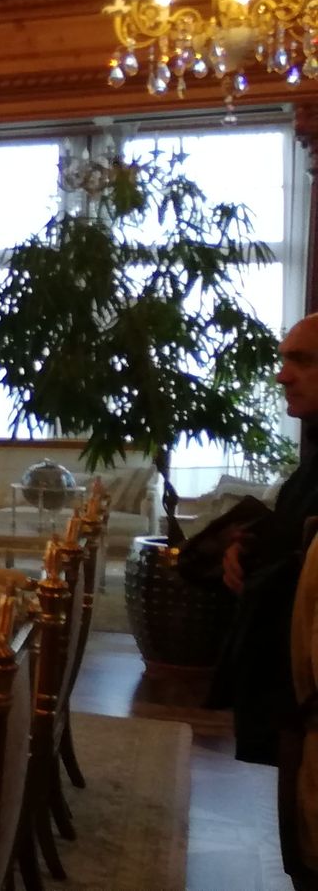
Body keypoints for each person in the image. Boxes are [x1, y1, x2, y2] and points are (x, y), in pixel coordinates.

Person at [217, 313, 318, 888]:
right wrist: (246, 550)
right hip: (290, 697)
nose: (282, 375)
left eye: (302, 360)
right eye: (283, 360)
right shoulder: (313, 457)